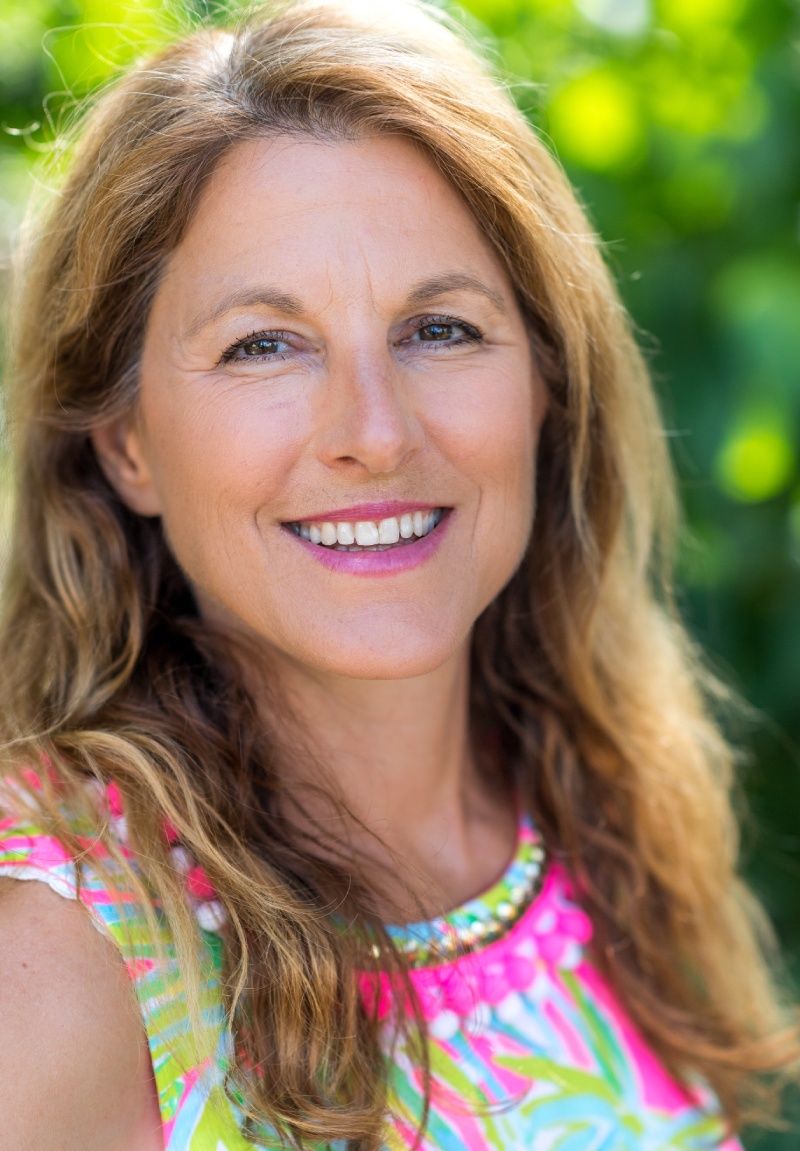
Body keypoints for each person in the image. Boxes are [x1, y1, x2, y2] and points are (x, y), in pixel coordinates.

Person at [0, 1, 797, 1148]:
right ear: (126, 442)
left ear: (545, 384)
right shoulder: (58, 962)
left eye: (439, 329)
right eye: (262, 344)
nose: (372, 432)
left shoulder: (603, 816)